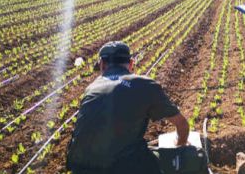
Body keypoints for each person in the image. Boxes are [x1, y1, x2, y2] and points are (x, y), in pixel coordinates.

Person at [66, 41, 189, 174]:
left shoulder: (90, 88)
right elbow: (182, 125)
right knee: (183, 160)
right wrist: (180, 146)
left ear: (102, 64)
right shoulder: (145, 85)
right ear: (131, 64)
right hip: (126, 167)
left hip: (80, 168)